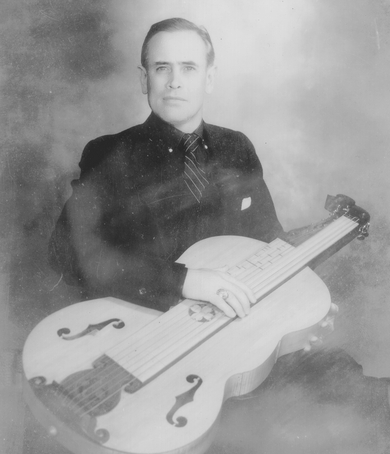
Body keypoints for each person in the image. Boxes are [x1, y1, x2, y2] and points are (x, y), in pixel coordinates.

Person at [49, 18, 285, 319]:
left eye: (189, 68)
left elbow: (268, 238)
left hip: (229, 326)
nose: (175, 81)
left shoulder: (236, 147)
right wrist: (184, 281)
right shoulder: (109, 153)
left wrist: (296, 296)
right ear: (144, 79)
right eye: (162, 68)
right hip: (145, 328)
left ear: (209, 79)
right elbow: (68, 252)